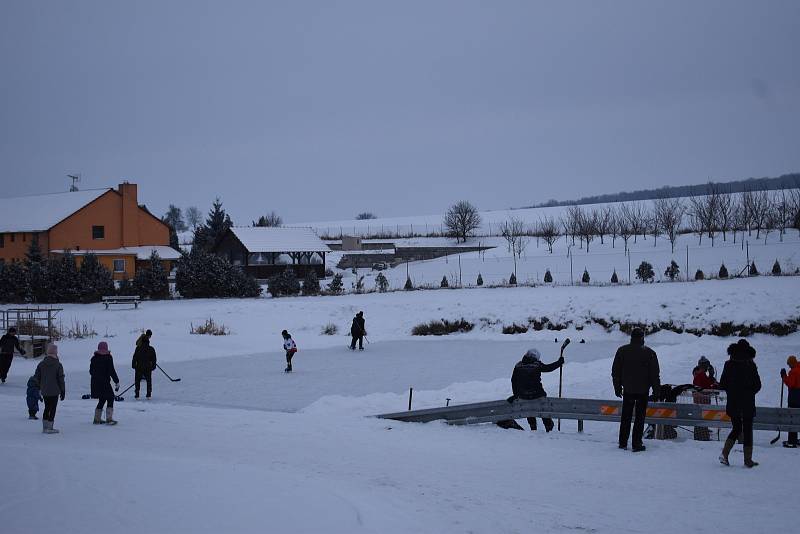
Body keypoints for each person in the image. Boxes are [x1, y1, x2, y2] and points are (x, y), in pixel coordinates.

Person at [611, 328, 660, 452]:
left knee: (626, 417)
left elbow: (615, 372)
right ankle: (636, 443)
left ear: (631, 337)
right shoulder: (650, 353)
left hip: (628, 390)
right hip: (643, 391)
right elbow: (654, 375)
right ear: (642, 337)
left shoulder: (622, 351)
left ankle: (622, 442)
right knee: (639, 418)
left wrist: (617, 388)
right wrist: (656, 391)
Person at [497, 349, 564, 432]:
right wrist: (559, 362)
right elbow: (548, 368)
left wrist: (516, 395)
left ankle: (533, 427)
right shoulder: (537, 365)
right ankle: (548, 426)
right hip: (537, 394)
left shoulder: (518, 365)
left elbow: (513, 381)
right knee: (543, 408)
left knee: (529, 408)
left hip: (523, 395)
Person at [719, 339, 761, 467]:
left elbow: (723, 384)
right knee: (747, 430)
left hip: (733, 402)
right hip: (747, 402)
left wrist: (732, 391)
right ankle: (747, 460)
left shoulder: (729, 364)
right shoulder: (751, 365)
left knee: (736, 428)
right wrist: (749, 392)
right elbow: (758, 385)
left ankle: (725, 454)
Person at [33, 343, 65, 434]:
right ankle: (50, 427)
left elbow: (36, 377)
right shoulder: (58, 364)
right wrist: (63, 390)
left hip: (45, 390)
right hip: (55, 391)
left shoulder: (41, 364)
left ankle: (45, 427)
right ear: (55, 353)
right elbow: (61, 379)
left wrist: (40, 386)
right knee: (53, 408)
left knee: (47, 407)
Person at [90, 341, 120, 425]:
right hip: (104, 383)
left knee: (102, 399)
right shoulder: (108, 358)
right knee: (110, 398)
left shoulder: (94, 358)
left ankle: (97, 419)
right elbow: (111, 371)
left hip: (95, 383)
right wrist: (116, 381)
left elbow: (91, 371)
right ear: (106, 348)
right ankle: (109, 419)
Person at [692, 356, 720, 441]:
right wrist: (714, 385)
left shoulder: (699, 374)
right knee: (702, 417)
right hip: (702, 399)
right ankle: (702, 436)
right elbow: (707, 386)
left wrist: (711, 378)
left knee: (701, 416)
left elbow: (708, 383)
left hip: (701, 399)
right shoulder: (701, 375)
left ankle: (702, 434)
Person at [780, 355, 799, 448]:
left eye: (789, 364)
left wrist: (784, 376)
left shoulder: (793, 372)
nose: (788, 366)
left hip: (794, 397)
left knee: (792, 417)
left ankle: (792, 440)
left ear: (791, 363)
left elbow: (791, 384)